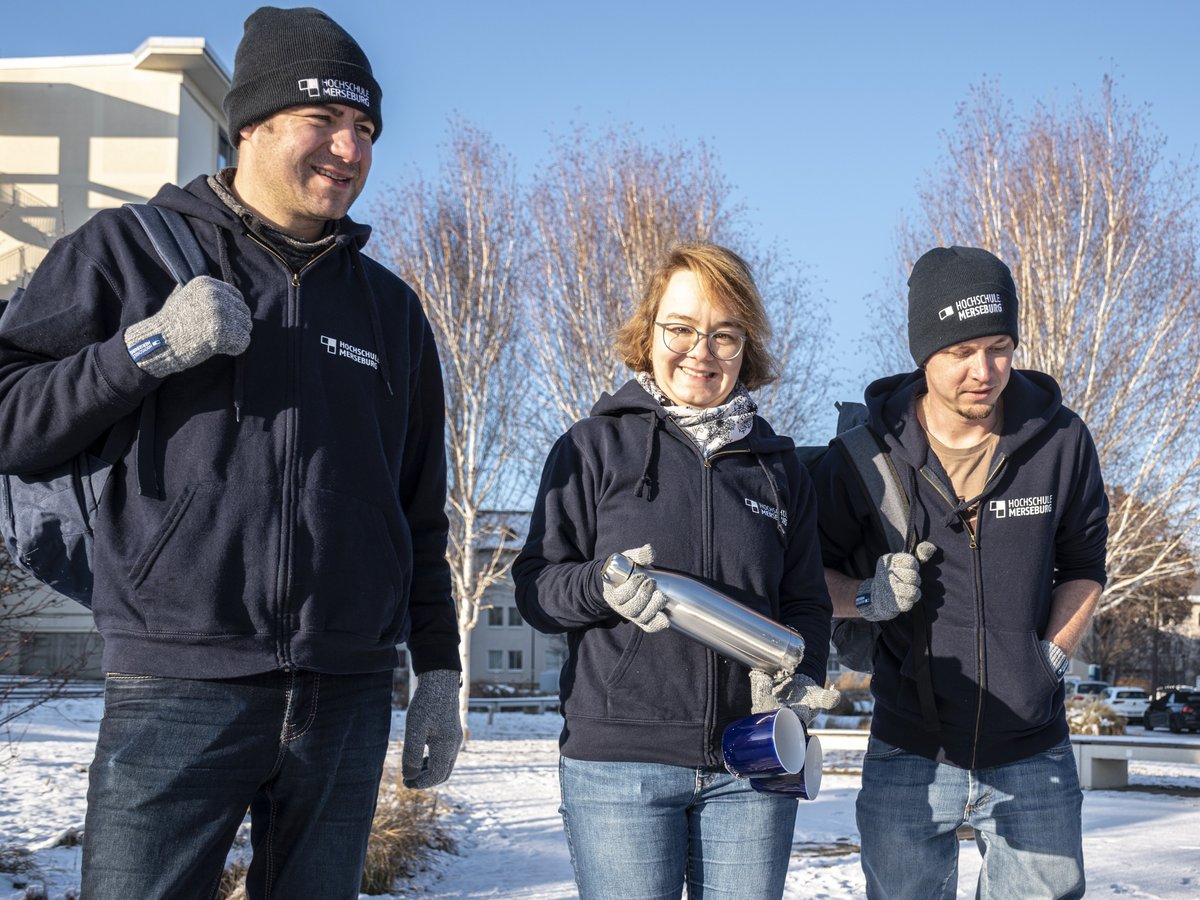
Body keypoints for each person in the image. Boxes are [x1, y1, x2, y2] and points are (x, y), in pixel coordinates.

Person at [0, 7, 461, 898]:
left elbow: (418, 507)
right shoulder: (124, 252)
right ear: (250, 125)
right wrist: (145, 349)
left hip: (346, 692)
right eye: (323, 119)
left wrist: (435, 666)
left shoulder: (390, 311)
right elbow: (10, 415)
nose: (349, 149)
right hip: (177, 680)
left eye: (365, 129)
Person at [513, 242, 837, 900]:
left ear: (747, 346)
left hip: (751, 761)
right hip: (620, 768)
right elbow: (537, 589)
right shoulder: (593, 447)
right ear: (648, 331)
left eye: (724, 334)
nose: (702, 350)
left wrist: (803, 677)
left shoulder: (777, 470)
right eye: (682, 328)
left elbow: (807, 603)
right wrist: (600, 586)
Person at [815, 246, 1109, 899]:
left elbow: (1086, 568)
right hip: (909, 749)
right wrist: (866, 597)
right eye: (961, 351)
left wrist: (1048, 660)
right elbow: (810, 578)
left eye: (1000, 346)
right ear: (925, 353)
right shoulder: (862, 458)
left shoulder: (1060, 442)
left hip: (1034, 746)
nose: (984, 371)